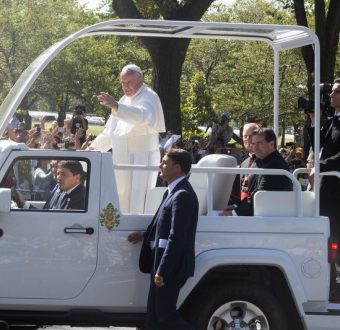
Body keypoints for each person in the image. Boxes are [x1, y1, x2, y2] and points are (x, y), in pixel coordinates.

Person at [127, 149, 198, 330]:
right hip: (161, 265)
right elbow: (164, 227)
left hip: (170, 268)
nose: (160, 166)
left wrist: (163, 270)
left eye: (165, 162)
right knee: (154, 318)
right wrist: (144, 235)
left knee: (165, 317)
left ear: (177, 168)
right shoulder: (172, 192)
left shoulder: (182, 195)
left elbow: (177, 237)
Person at [91, 64, 165, 214]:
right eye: (123, 83)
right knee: (120, 197)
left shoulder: (149, 96)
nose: (125, 86)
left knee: (137, 200)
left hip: (141, 158)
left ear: (140, 79)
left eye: (129, 82)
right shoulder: (124, 100)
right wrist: (93, 148)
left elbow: (143, 116)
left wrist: (117, 106)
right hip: (120, 158)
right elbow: (111, 132)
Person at [223, 127, 292, 216]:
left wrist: (233, 213)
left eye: (259, 143)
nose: (255, 147)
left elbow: (260, 198)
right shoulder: (266, 162)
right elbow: (256, 196)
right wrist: (235, 206)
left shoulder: (274, 165)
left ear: (271, 144)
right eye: (253, 143)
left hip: (271, 220)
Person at [308, 78, 340, 239]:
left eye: (336, 91)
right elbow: (317, 145)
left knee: (334, 234)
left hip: (336, 189)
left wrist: (320, 166)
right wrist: (314, 120)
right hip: (325, 187)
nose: (331, 94)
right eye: (332, 90)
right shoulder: (332, 121)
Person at [17, 160, 85, 210]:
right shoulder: (63, 190)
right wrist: (24, 203)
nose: (58, 177)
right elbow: (48, 213)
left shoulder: (81, 198)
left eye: (63, 174)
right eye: (58, 174)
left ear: (77, 178)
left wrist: (25, 204)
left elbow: (55, 220)